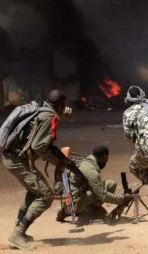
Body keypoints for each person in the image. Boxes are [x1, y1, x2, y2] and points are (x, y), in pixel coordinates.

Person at [2, 90, 85, 250]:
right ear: (60, 105)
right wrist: (61, 162)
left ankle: (19, 231)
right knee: (45, 196)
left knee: (33, 192)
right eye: (64, 106)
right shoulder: (49, 116)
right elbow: (39, 146)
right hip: (17, 161)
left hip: (14, 158)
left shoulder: (42, 109)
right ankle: (18, 234)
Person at [56, 145, 132, 223]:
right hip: (73, 204)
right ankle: (83, 213)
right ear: (104, 157)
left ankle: (85, 210)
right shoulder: (91, 171)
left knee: (111, 184)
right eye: (107, 158)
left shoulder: (88, 161)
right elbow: (103, 196)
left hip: (73, 198)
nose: (107, 161)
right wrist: (123, 199)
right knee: (92, 194)